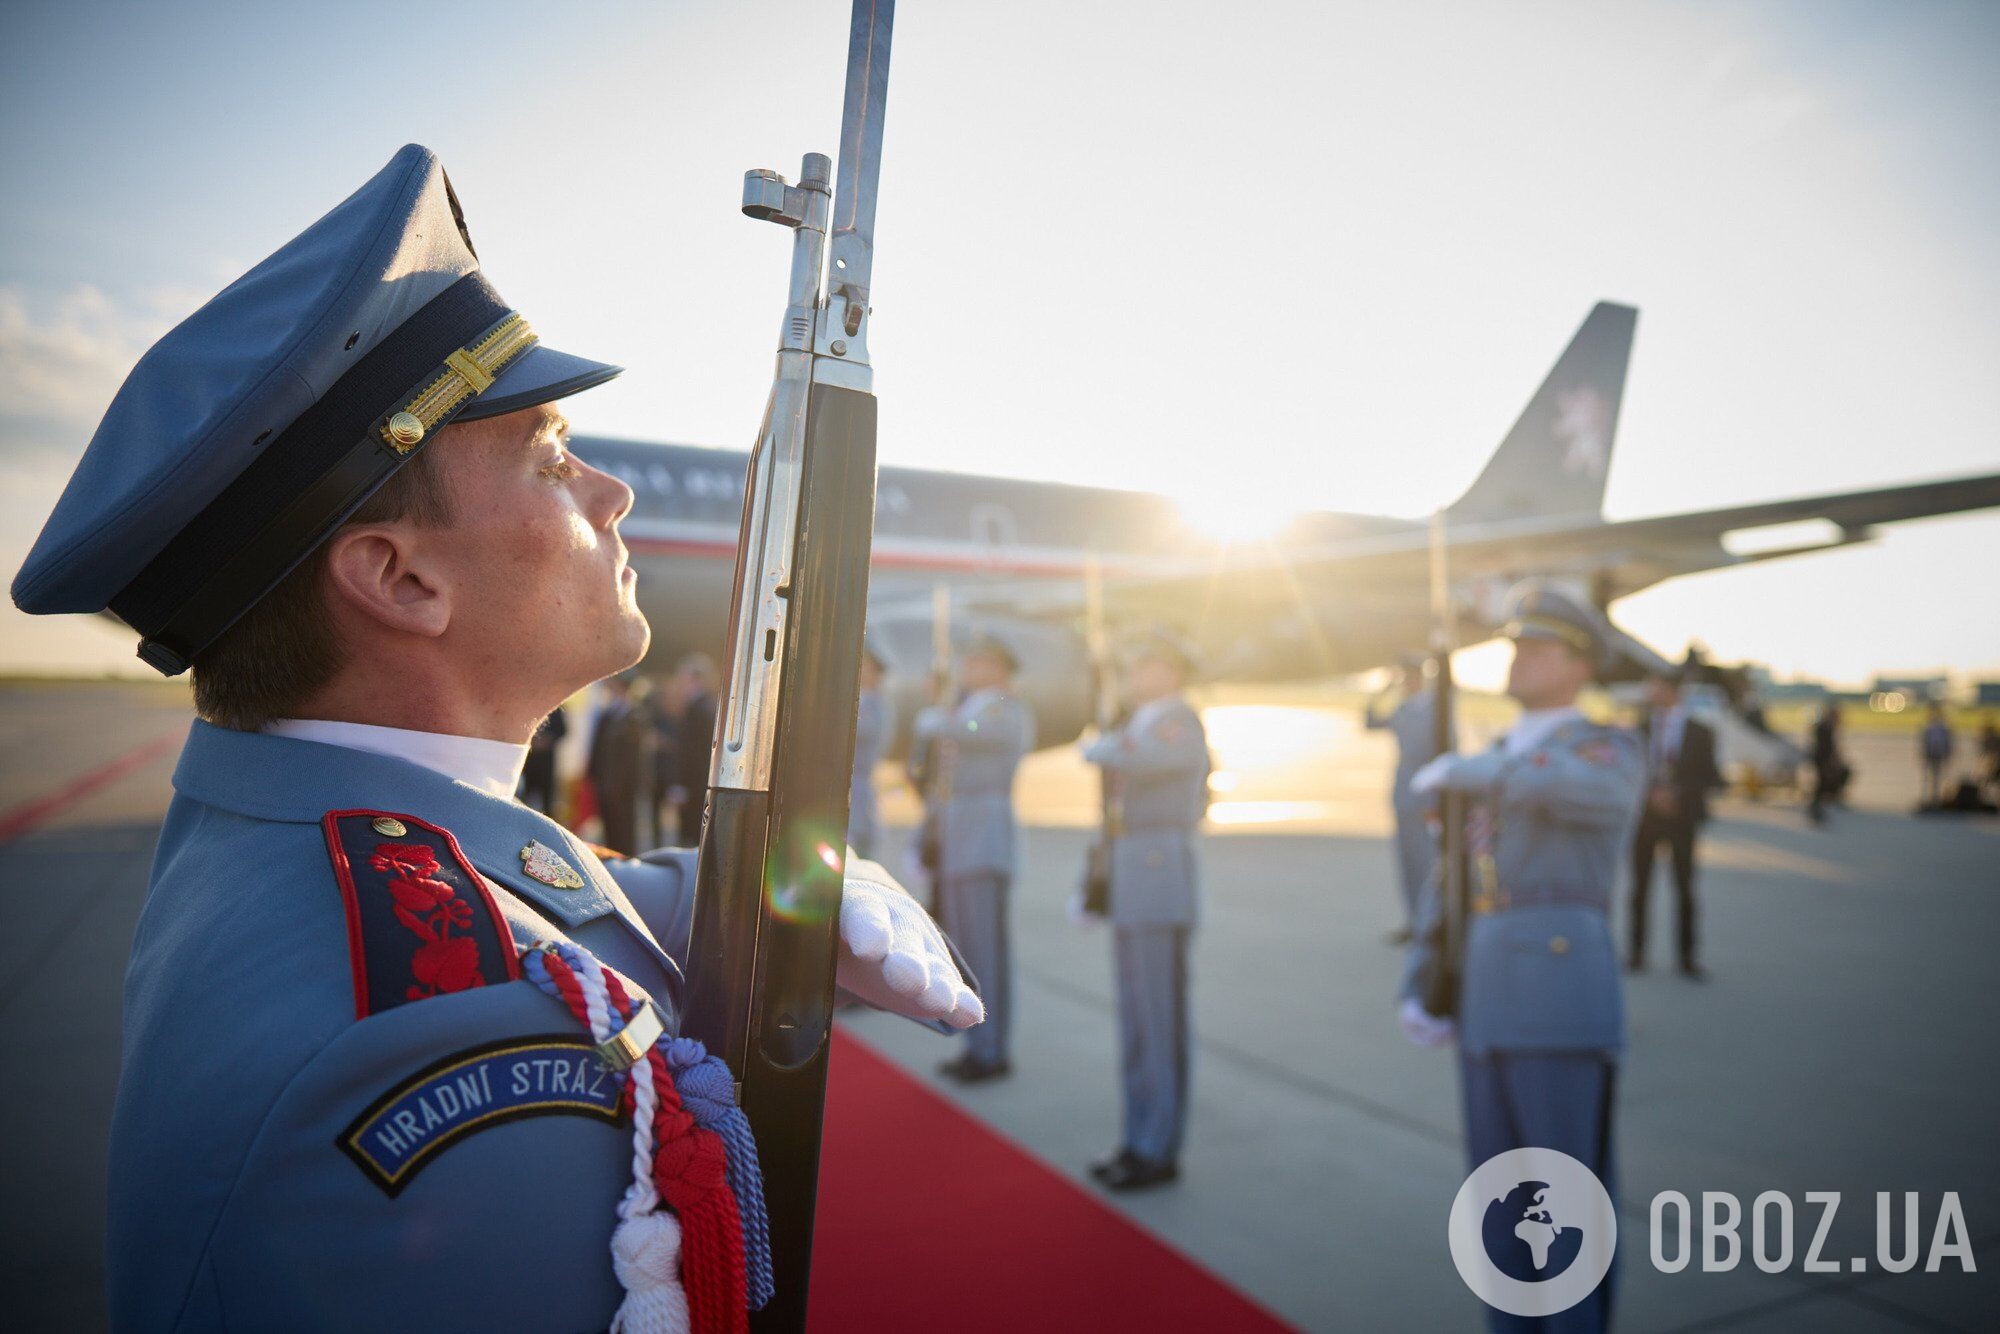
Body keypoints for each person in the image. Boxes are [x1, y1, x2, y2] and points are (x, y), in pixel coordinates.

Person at [10, 145, 982, 1330]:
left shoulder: (293, 829)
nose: (606, 492)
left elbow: (494, 891)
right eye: (547, 455)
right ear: (400, 577)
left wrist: (708, 894)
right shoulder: (461, 1053)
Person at [1399, 580, 1644, 1334]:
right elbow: (1455, 880)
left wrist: (1473, 773)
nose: (1519, 658)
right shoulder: (1500, 754)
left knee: (1565, 1210)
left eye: (1538, 648)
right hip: (1484, 991)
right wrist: (1422, 977)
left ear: (1578, 666)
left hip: (1559, 991)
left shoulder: (1602, 746)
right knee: (1500, 1207)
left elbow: (1588, 794)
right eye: (1516, 645)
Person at [1081, 628, 1209, 1191]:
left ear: (1172, 673)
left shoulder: (1176, 719)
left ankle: (1160, 1147)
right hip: (1132, 868)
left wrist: (1104, 745)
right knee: (1135, 1018)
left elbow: (1141, 761)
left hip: (1159, 872)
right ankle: (1136, 1139)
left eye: (1146, 665)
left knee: (1159, 1019)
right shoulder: (1136, 722)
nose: (1135, 674)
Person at [921, 633, 1035, 1082]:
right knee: (966, 952)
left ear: (1000, 669)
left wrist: (942, 719)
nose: (970, 668)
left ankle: (992, 1050)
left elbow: (976, 734)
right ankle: (975, 1043)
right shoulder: (969, 706)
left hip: (985, 837)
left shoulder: (1002, 708)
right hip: (959, 834)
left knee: (985, 953)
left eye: (979, 661)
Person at [1627, 671, 1723, 979]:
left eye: (1654, 687)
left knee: (1685, 888)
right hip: (1646, 819)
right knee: (1640, 887)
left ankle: (1686, 958)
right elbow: (1629, 772)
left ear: (1672, 691)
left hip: (1682, 820)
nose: (1649, 693)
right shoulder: (1639, 729)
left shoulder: (1700, 732)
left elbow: (1711, 777)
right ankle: (1637, 953)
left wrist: (1677, 793)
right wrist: (1650, 793)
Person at [1365, 653, 1447, 943]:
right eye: (1401, 678)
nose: (1405, 683)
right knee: (1407, 863)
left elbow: (1446, 755)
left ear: (1420, 678)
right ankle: (1414, 921)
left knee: (1428, 863)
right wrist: (1381, 691)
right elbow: (1370, 722)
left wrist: (1439, 799)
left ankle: (1432, 922)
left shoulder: (1437, 711)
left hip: (1427, 799)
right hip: (1403, 795)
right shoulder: (1402, 709)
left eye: (1409, 677)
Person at [585, 673, 654, 854]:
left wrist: (634, 783)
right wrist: (592, 774)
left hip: (625, 785)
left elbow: (637, 756)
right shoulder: (608, 713)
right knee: (609, 826)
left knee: (625, 828)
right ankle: (611, 856)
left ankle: (625, 859)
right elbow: (598, 747)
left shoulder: (636, 715)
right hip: (605, 781)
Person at [665, 652, 720, 843]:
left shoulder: (700, 709)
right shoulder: (701, 706)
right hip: (694, 786)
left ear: (696, 679)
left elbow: (696, 753)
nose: (680, 683)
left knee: (691, 835)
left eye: (684, 678)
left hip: (694, 787)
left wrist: (682, 785)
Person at [848, 641, 890, 859]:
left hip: (859, 781)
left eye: (867, 667)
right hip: (853, 783)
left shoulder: (874, 705)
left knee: (857, 847)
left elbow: (859, 730)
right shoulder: (862, 701)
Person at [519, 704, 568, 816]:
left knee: (548, 803)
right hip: (527, 764)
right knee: (523, 801)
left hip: (546, 765)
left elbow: (563, 731)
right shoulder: (526, 704)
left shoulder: (557, 706)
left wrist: (547, 740)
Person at [1808, 702, 1846, 825]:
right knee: (1822, 782)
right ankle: (1816, 808)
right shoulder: (1824, 727)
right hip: (1822, 759)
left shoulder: (1824, 726)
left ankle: (1819, 806)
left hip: (1822, 758)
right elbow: (1826, 747)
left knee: (1823, 782)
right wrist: (1831, 761)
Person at [1919, 703, 1954, 808]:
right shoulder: (1929, 727)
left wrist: (1948, 752)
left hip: (1938, 754)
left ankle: (1937, 798)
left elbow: (1948, 740)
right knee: (1929, 777)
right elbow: (1924, 740)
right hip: (1931, 754)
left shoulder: (1942, 727)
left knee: (1937, 777)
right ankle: (1929, 798)